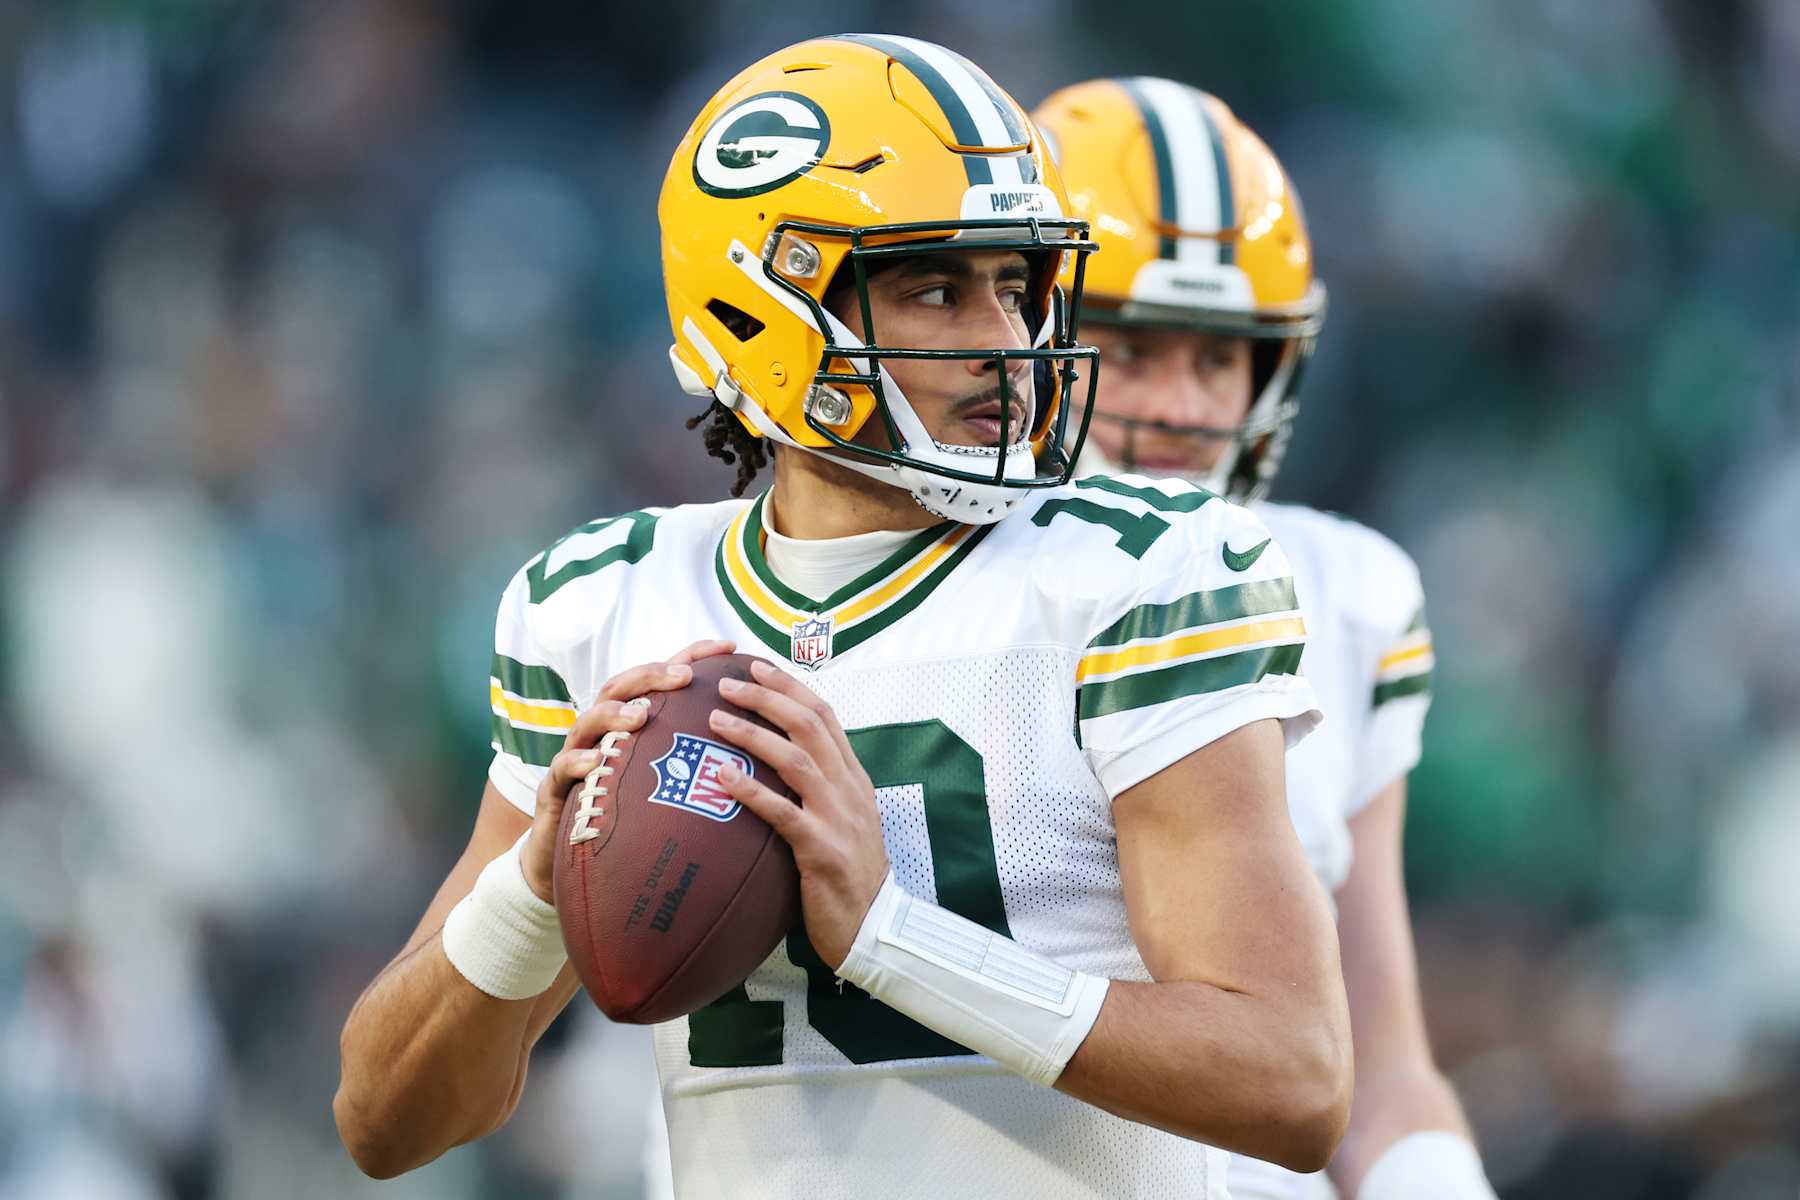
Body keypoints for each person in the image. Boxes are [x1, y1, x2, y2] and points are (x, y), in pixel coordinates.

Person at [334, 36, 1352, 1199]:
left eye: (1016, 286)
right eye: (937, 287)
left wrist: (890, 938)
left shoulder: (1140, 573)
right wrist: (530, 884)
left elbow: (1292, 1080)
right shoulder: (606, 603)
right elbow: (385, 1121)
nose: (1009, 343)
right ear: (762, 309)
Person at [1031, 78, 1496, 1200]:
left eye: (1218, 356)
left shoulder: (1341, 591)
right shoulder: (926, 580)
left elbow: (1378, 1074)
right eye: (1133, 348)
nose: (1184, 407)